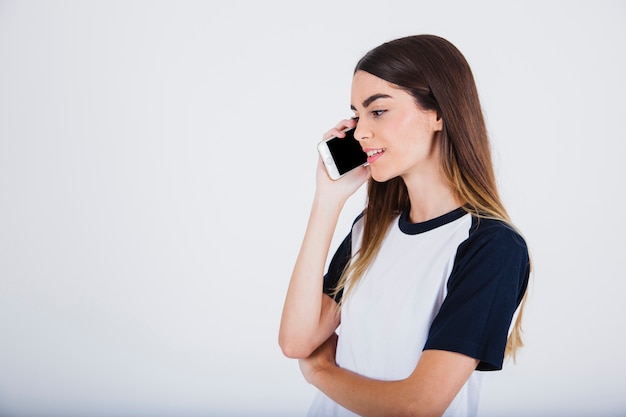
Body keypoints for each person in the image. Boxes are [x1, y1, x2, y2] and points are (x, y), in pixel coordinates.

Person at [279, 34, 531, 417]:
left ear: (438, 113)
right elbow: (296, 341)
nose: (361, 131)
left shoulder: (491, 247)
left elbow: (418, 406)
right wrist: (327, 201)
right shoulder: (370, 230)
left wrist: (321, 371)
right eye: (357, 114)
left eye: (378, 111)